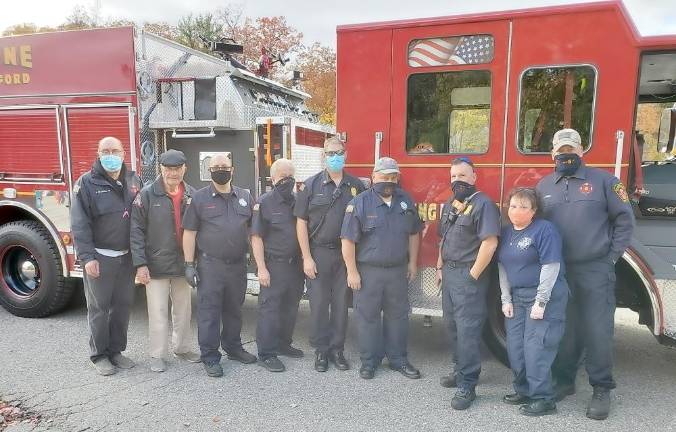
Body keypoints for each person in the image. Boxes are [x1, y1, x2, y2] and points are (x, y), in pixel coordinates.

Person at [537, 128, 635, 420]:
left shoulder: (605, 181)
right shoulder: (543, 186)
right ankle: (564, 381)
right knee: (565, 328)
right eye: (561, 150)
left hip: (595, 268)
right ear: (553, 154)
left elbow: (625, 221)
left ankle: (601, 388)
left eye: (572, 149)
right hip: (560, 269)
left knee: (597, 330)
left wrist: (611, 257)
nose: (566, 154)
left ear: (582, 152)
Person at [341, 157, 423, 380]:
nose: (388, 181)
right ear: (373, 177)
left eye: (393, 177)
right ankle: (369, 361)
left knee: (398, 317)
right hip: (368, 272)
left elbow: (414, 233)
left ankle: (398, 360)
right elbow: (348, 240)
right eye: (384, 177)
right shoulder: (360, 203)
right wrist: (352, 271)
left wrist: (413, 262)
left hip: (397, 270)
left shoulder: (405, 200)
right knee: (368, 317)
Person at [182, 153, 257, 378]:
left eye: (225, 166)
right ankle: (210, 356)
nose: (220, 170)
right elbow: (189, 232)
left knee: (234, 310)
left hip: (237, 266)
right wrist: (188, 264)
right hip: (210, 266)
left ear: (232, 170)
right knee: (209, 313)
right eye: (216, 167)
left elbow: (254, 232)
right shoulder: (199, 198)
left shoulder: (245, 196)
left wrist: (258, 260)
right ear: (209, 171)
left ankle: (233, 347)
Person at [71, 136, 142, 376]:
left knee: (122, 306)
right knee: (99, 308)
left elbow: (140, 219)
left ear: (124, 153)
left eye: (115, 150)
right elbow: (80, 224)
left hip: (127, 257)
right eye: (105, 151)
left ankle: (116, 351)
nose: (110, 155)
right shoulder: (86, 183)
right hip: (100, 257)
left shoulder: (133, 180)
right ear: (98, 154)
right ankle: (99, 355)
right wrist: (87, 257)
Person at [294, 136, 366, 372]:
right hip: (319, 253)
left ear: (346, 154)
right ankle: (321, 352)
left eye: (339, 152)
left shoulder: (357, 186)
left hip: (345, 256)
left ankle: (338, 350)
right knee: (318, 305)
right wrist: (306, 257)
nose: (335, 157)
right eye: (330, 153)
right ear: (323, 156)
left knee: (340, 306)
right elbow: (301, 223)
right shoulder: (310, 185)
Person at [497, 187, 569, 416]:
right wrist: (505, 298)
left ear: (534, 210)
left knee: (536, 349)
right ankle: (524, 390)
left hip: (544, 297)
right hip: (517, 298)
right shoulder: (507, 233)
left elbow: (551, 266)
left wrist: (541, 301)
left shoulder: (544, 230)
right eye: (514, 206)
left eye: (524, 207)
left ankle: (544, 399)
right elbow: (502, 267)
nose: (517, 210)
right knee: (516, 348)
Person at [435, 157, 500, 410]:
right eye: (453, 176)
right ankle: (459, 369)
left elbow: (490, 242)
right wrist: (439, 267)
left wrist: (472, 275)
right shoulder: (451, 204)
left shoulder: (483, 204)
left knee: (468, 331)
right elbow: (445, 237)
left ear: (474, 177)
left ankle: (468, 385)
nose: (457, 181)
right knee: (452, 326)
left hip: (467, 275)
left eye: (462, 176)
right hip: (449, 274)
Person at [130, 149, 200, 373]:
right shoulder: (146, 195)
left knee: (184, 310)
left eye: (177, 168)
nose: (173, 173)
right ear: (161, 169)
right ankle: (157, 355)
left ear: (184, 169)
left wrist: (196, 261)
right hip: (155, 265)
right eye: (168, 169)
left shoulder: (192, 194)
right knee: (158, 312)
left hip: (183, 264)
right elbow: (136, 232)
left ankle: (182, 348)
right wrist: (140, 264)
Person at [251, 159, 305, 372]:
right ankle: (266, 353)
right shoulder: (264, 203)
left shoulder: (299, 200)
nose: (287, 180)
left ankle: (284, 344)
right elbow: (256, 237)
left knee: (291, 308)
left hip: (295, 267)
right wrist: (261, 267)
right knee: (270, 310)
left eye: (290, 176)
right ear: (273, 179)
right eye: (283, 177)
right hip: (274, 266)